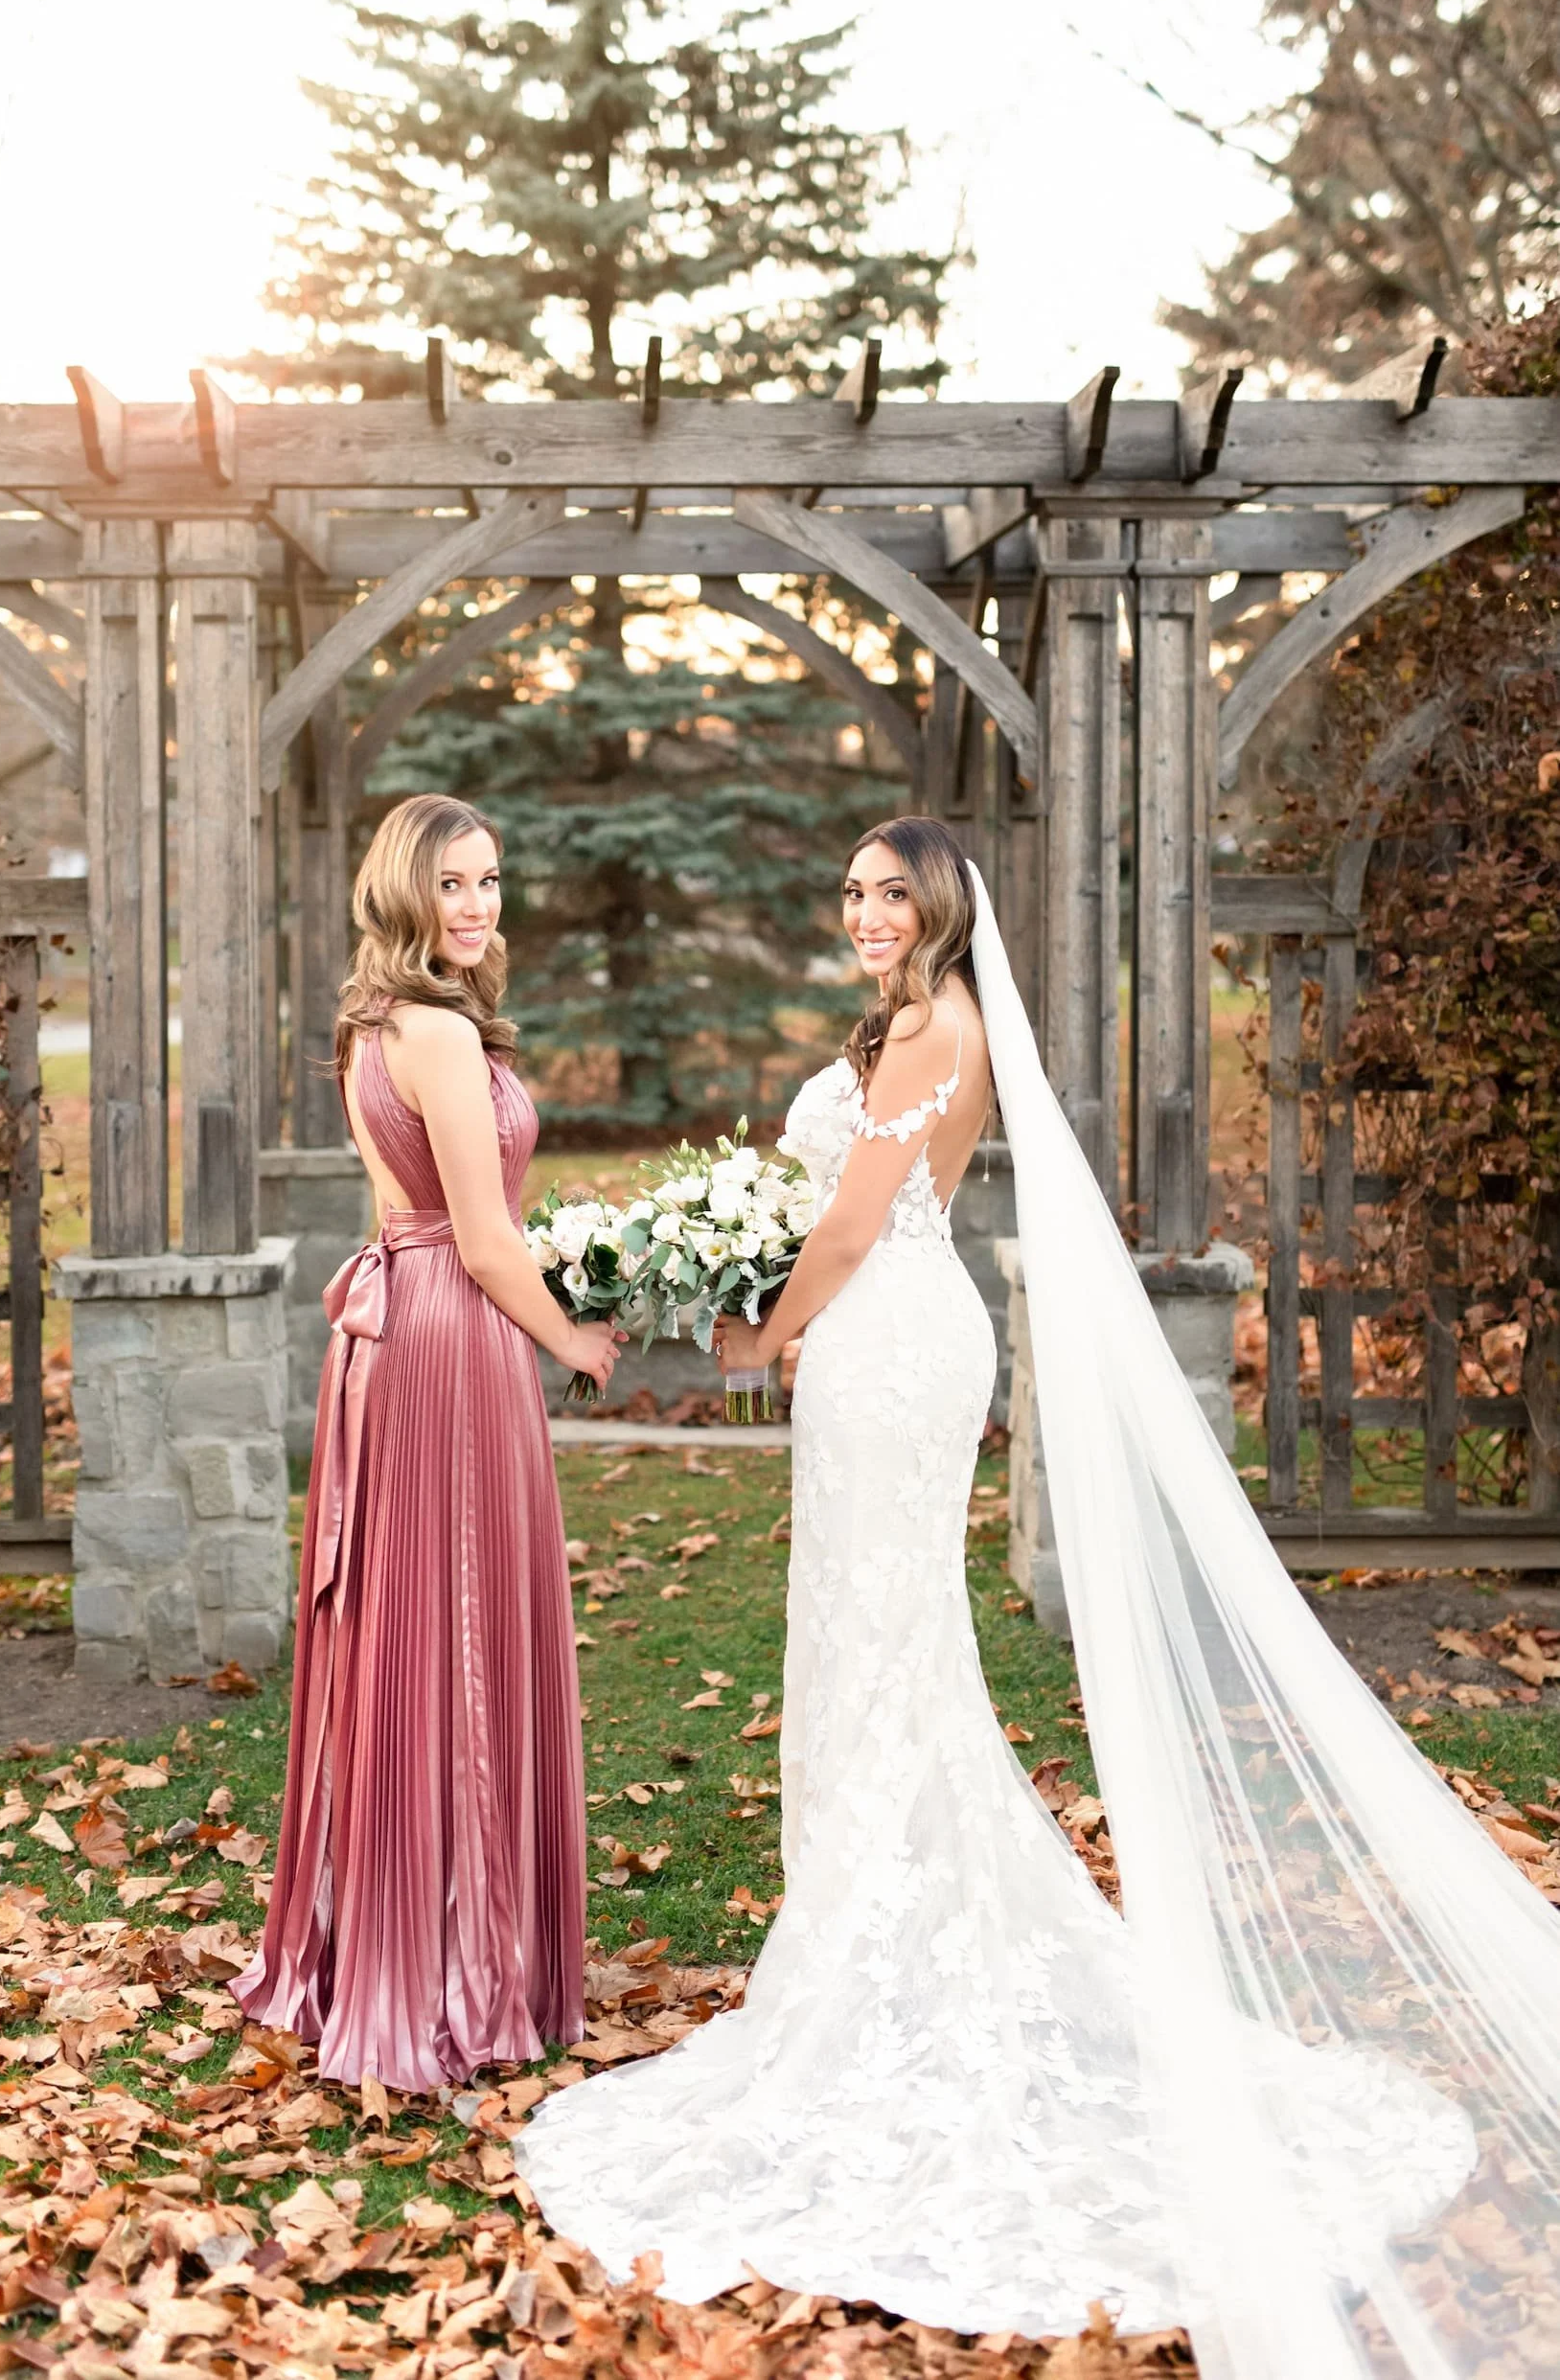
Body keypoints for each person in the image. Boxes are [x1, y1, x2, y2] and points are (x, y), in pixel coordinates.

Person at [514, 818, 1539, 2372]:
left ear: (940, 907)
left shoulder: (941, 1021)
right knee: (871, 1640)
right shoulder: (903, 1021)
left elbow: (854, 1220)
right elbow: (827, 1207)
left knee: (885, 1638)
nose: (863, 912)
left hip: (887, 1336)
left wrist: (757, 1337)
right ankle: (862, 1918)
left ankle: (883, 1942)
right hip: (877, 1334)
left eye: (888, 892)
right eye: (848, 889)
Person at [234, 795, 622, 2094]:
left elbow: (418, 1210)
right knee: (444, 1621)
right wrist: (571, 1338)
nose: (477, 905)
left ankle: (404, 1933)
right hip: (450, 1337)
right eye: (453, 883)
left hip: (397, 1329)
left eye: (492, 881)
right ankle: (447, 1960)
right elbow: (483, 1233)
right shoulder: (440, 1031)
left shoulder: (377, 1024)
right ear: (405, 893)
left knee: (414, 1620)